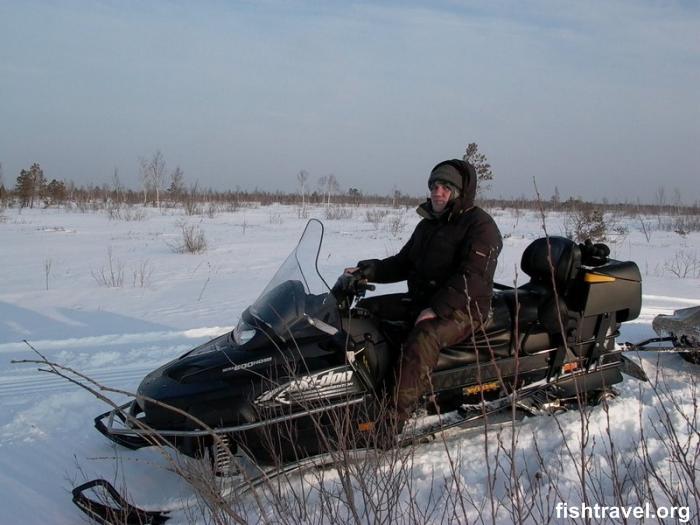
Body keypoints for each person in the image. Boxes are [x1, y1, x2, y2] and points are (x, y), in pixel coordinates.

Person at [345, 159, 502, 425]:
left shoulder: (480, 226)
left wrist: (436, 308)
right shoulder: (429, 224)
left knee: (424, 336)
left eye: (445, 187)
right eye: (434, 186)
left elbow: (473, 277)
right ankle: (363, 387)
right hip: (425, 299)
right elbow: (403, 262)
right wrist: (365, 271)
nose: (437, 192)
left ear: (459, 191)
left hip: (465, 308)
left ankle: (392, 419)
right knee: (367, 312)